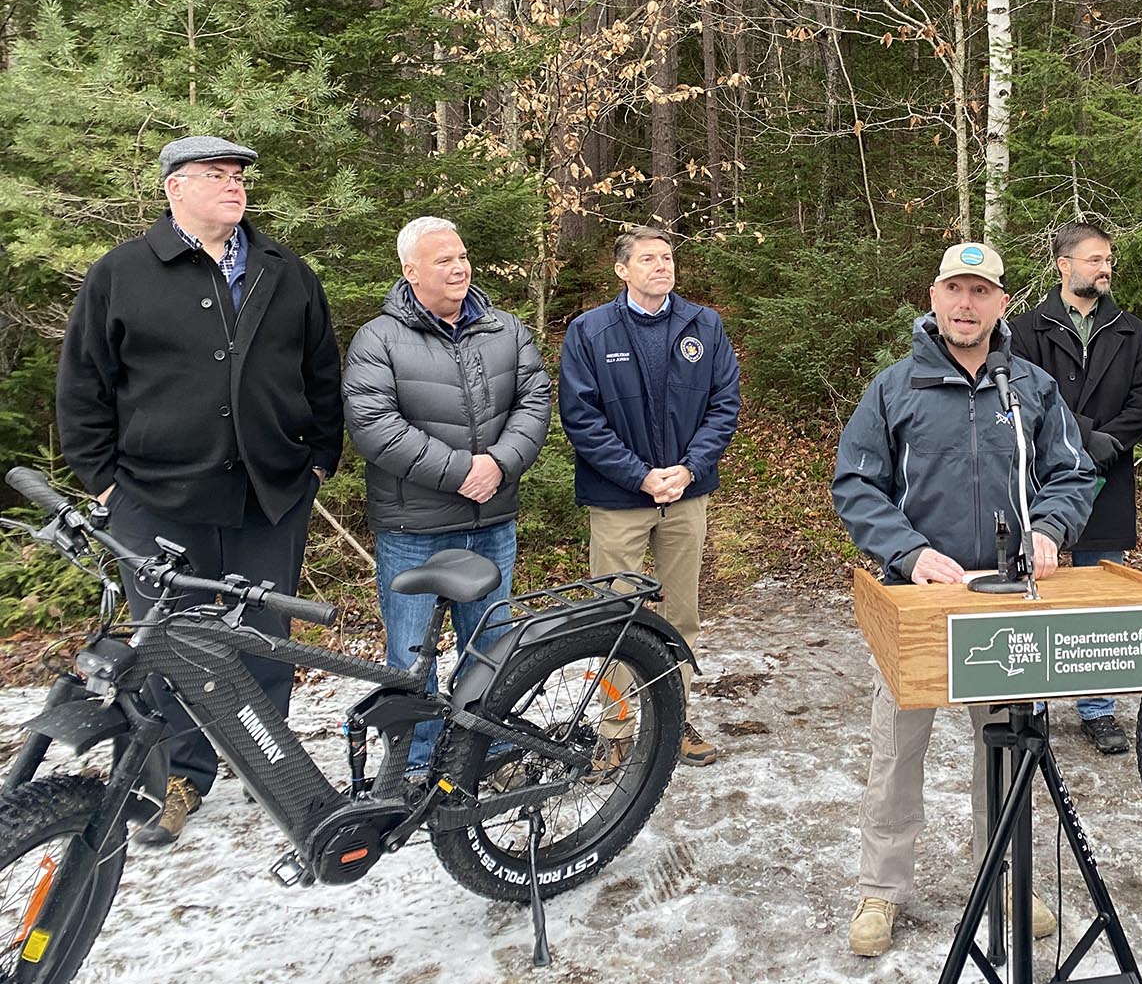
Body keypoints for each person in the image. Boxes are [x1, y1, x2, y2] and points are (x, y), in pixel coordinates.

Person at [56, 135, 343, 844]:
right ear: (173, 189)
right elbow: (84, 386)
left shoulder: (285, 271)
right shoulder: (122, 273)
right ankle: (179, 776)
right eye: (214, 175)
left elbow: (320, 374)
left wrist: (318, 463)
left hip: (269, 495)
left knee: (265, 638)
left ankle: (269, 766)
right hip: (156, 500)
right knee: (172, 645)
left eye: (238, 175)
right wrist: (106, 486)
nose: (233, 186)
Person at [833, 241, 1096, 959]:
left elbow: (1074, 473)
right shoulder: (894, 387)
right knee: (897, 750)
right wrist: (910, 553)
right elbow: (855, 484)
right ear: (934, 295)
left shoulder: (1032, 388)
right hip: (917, 601)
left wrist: (1049, 527)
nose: (966, 305)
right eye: (955, 289)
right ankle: (881, 890)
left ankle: (1008, 874)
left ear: (1002, 303)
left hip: (1008, 598)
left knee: (1007, 747)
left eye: (981, 292)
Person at [342, 217, 552, 771]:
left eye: (461, 256)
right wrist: (461, 471)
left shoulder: (505, 330)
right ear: (410, 271)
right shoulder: (378, 339)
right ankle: (416, 761)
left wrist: (499, 465)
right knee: (411, 656)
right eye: (442, 260)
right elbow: (372, 424)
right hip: (415, 529)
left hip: (492, 520)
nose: (458, 268)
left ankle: (490, 747)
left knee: (491, 647)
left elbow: (534, 402)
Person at [559, 227, 740, 767]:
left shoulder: (704, 326)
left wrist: (687, 469)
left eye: (666, 258)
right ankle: (615, 730)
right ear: (622, 270)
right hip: (619, 500)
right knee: (614, 616)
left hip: (685, 496)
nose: (661, 266)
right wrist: (640, 476)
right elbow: (581, 419)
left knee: (680, 616)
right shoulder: (590, 332)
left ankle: (674, 719)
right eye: (648, 259)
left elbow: (723, 405)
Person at [1009, 221, 1142, 755]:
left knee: (1098, 600)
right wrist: (1075, 440)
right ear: (1063, 265)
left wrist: (1101, 445)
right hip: (1041, 479)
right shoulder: (1027, 330)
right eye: (1094, 259)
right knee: (1040, 590)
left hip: (1107, 475)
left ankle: (1098, 709)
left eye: (1108, 259)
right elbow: (1022, 398)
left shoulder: (1131, 331)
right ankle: (1036, 706)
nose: (1104, 268)